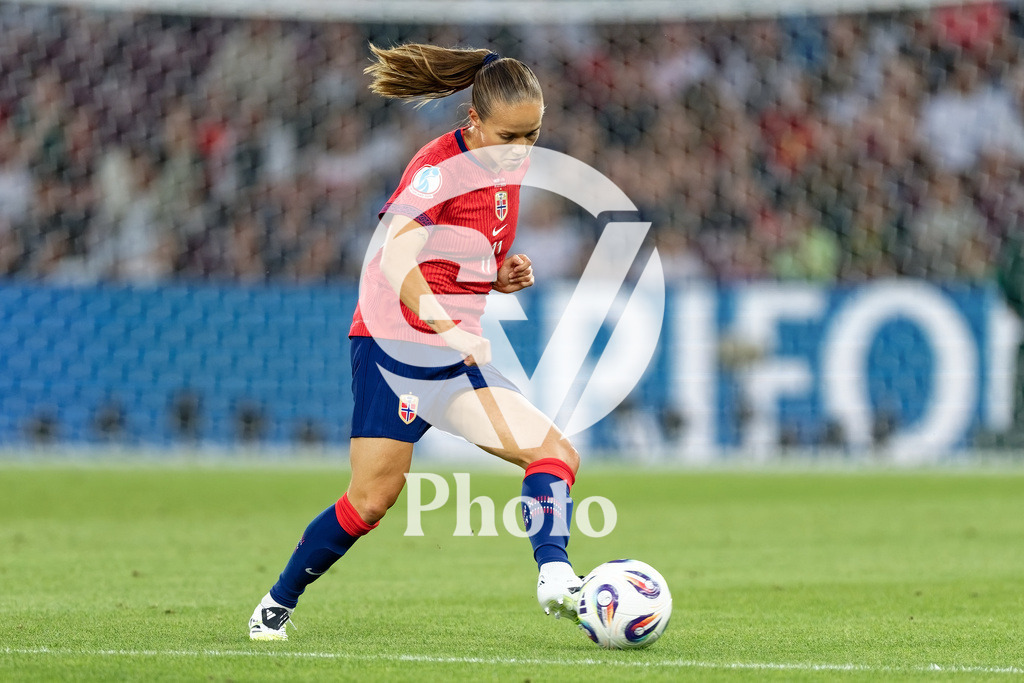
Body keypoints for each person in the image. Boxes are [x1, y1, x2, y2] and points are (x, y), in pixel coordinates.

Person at [248, 43, 582, 640]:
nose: (521, 149)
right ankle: (278, 601)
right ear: (471, 122)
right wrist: (450, 326)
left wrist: (498, 278)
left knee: (554, 453)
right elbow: (397, 260)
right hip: (393, 348)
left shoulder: (510, 160)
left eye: (532, 135)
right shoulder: (435, 171)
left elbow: (461, 256)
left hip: (451, 356)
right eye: (509, 136)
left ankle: (555, 576)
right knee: (372, 500)